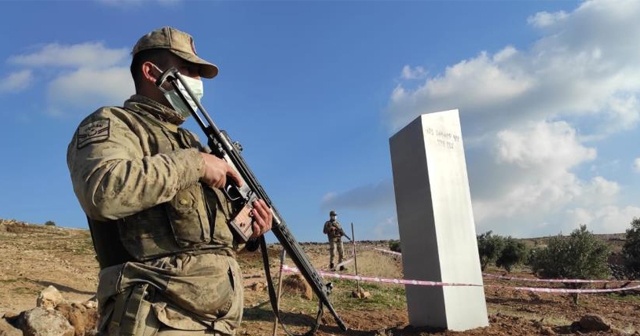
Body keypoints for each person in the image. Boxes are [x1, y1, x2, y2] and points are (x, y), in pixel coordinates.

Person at [66, 26, 273, 336]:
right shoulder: (113, 123)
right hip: (155, 315)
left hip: (217, 321)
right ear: (151, 72)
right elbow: (102, 192)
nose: (197, 82)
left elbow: (208, 239)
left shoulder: (190, 141)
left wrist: (250, 229)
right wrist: (196, 163)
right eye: (189, 70)